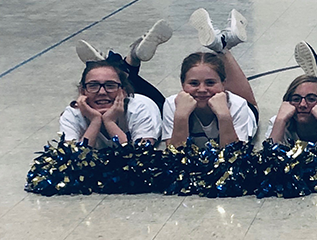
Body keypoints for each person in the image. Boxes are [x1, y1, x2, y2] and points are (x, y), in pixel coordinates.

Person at [60, 20, 172, 148]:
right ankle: (129, 59)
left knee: (119, 79)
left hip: (154, 105)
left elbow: (139, 157)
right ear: (82, 91)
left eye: (110, 86)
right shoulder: (73, 113)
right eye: (93, 86)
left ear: (123, 91)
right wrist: (95, 122)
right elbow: (73, 159)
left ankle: (121, 62)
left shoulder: (140, 109)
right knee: (114, 76)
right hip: (124, 93)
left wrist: (109, 122)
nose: (102, 92)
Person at [161, 8, 257, 147]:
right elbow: (174, 155)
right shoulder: (172, 104)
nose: (202, 89)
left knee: (251, 105)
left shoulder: (237, 105)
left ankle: (222, 47)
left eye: (210, 83)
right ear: (182, 85)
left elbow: (235, 156)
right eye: (193, 83)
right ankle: (221, 46)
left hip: (242, 110)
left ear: (224, 83)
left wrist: (224, 116)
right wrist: (181, 117)